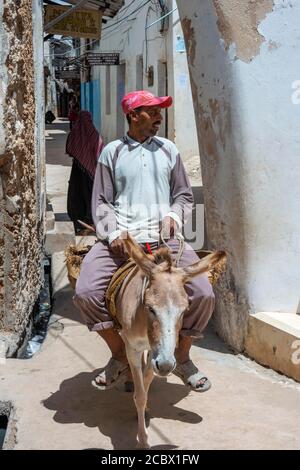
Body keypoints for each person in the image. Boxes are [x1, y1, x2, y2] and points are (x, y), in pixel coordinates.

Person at [73, 90, 215, 392]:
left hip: (165, 243)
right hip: (123, 242)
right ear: (133, 115)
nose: (159, 117)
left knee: (203, 294)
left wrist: (173, 219)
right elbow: (101, 201)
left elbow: (183, 195)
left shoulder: (169, 150)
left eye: (159, 111)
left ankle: (182, 356)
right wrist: (114, 234)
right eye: (153, 111)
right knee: (85, 292)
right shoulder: (111, 152)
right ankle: (119, 355)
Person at [66, 110, 104, 234]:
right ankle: (90, 220)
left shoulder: (75, 132)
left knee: (77, 194)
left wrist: (80, 155)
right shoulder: (94, 134)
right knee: (90, 195)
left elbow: (69, 148)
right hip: (91, 171)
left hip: (77, 170)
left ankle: (78, 220)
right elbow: (100, 151)